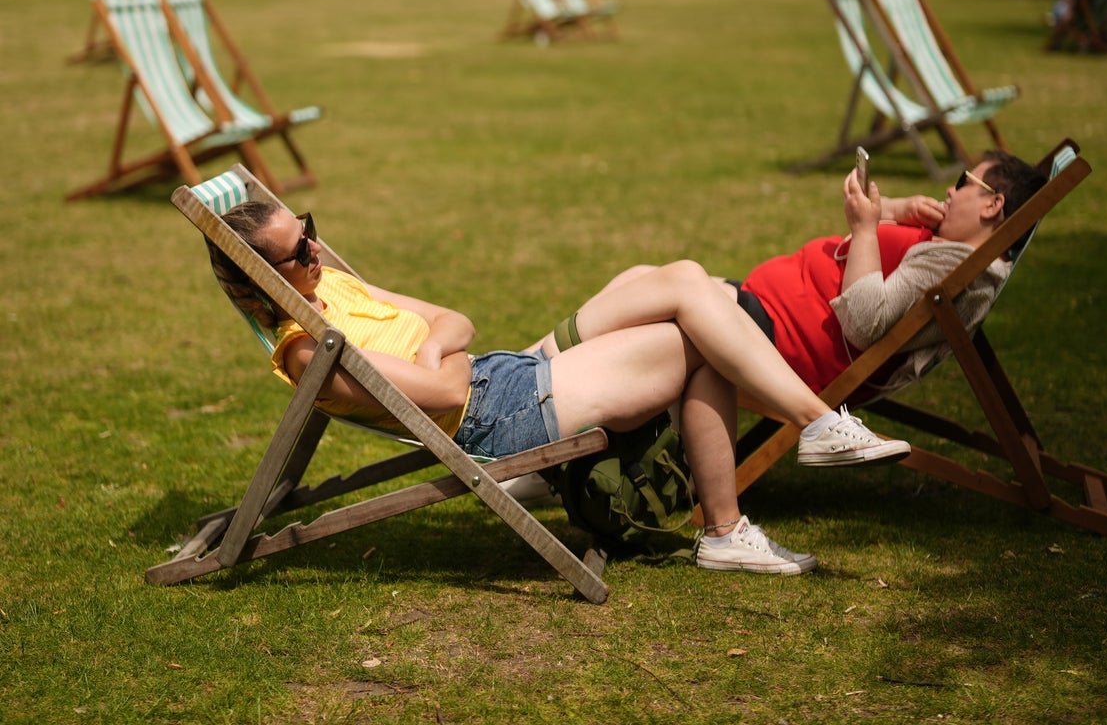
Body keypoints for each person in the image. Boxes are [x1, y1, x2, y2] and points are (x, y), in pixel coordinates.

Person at [208, 205, 912, 577]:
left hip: (502, 376)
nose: (316, 253)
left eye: (311, 232)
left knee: (676, 274)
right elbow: (449, 387)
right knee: (699, 331)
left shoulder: (327, 286)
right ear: (255, 281)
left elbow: (454, 322)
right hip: (499, 416)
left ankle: (783, 466)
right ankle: (785, 462)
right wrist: (441, 352)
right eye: (298, 253)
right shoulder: (311, 354)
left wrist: (431, 343)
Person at [528, 151, 1046, 406]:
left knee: (665, 300)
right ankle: (529, 379)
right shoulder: (947, 245)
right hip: (768, 316)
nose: (950, 192)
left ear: (994, 204)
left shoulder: (956, 270)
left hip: (784, 348)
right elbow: (868, 228)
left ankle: (526, 381)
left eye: (964, 182)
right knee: (641, 277)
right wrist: (897, 208)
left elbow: (867, 323)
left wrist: (868, 226)